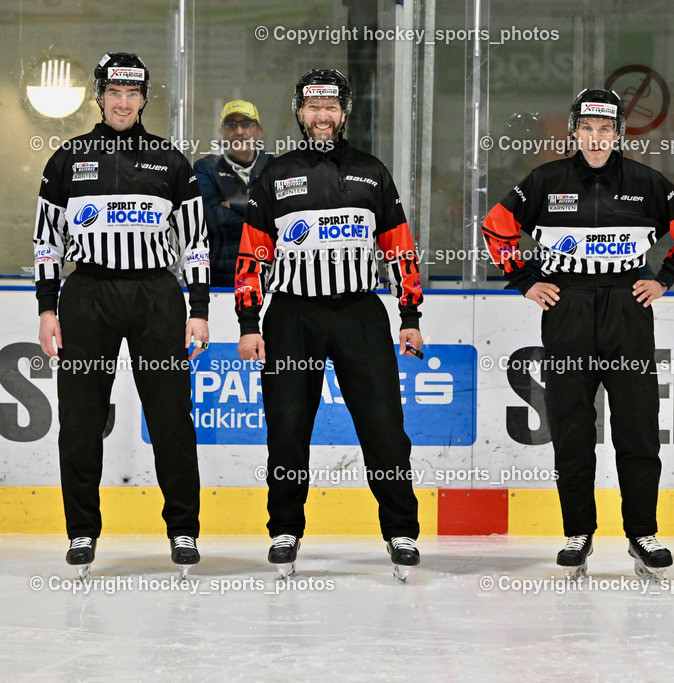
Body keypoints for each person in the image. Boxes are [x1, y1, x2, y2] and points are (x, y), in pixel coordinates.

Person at [481, 88, 674, 580]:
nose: (596, 137)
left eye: (606, 129)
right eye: (587, 128)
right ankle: (577, 533)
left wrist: (665, 277)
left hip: (627, 309)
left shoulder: (647, 182)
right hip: (566, 308)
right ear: (574, 131)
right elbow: (495, 227)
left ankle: (642, 535)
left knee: (638, 427)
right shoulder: (546, 179)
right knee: (570, 428)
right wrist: (525, 281)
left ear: (618, 133)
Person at [234, 69, 424, 581]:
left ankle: (401, 529)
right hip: (292, 316)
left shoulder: (371, 170)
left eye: (331, 106)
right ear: (299, 112)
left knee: (384, 427)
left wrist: (410, 315)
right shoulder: (274, 176)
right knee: (288, 428)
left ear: (345, 112)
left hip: (360, 314)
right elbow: (253, 255)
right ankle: (285, 529)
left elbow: (399, 248)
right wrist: (249, 322)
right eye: (313, 107)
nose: (322, 115)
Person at [33, 52, 210, 578]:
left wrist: (197, 310)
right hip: (86, 294)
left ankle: (183, 531)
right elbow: (46, 241)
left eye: (133, 94)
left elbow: (195, 242)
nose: (123, 102)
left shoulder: (170, 161)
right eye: (115, 93)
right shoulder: (68, 158)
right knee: (81, 420)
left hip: (157, 295)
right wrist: (47, 307)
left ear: (144, 99)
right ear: (99, 96)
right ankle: (82, 531)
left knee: (171, 417)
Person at [195, 100, 272, 287]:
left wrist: (235, 205)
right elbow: (211, 218)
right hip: (220, 280)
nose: (239, 132)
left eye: (246, 124)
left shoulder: (275, 168)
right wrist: (260, 216)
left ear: (258, 132)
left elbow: (280, 219)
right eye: (231, 125)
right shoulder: (205, 168)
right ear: (222, 133)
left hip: (267, 276)